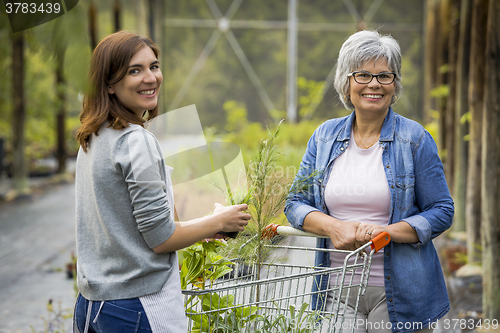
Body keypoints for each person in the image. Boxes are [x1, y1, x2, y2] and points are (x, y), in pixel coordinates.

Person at [73, 31, 251, 333]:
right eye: (134, 70)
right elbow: (160, 240)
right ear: (109, 85)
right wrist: (220, 220)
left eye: (153, 66)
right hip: (138, 307)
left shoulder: (93, 137)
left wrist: (202, 227)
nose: (150, 78)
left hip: (93, 306)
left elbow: (131, 225)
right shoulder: (135, 141)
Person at [284, 30, 454, 333]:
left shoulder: (414, 139)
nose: (374, 84)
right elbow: (295, 204)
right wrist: (333, 227)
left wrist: (386, 232)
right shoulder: (324, 137)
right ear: (346, 83)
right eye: (362, 75)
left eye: (384, 76)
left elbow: (441, 210)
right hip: (335, 291)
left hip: (399, 296)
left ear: (394, 84)